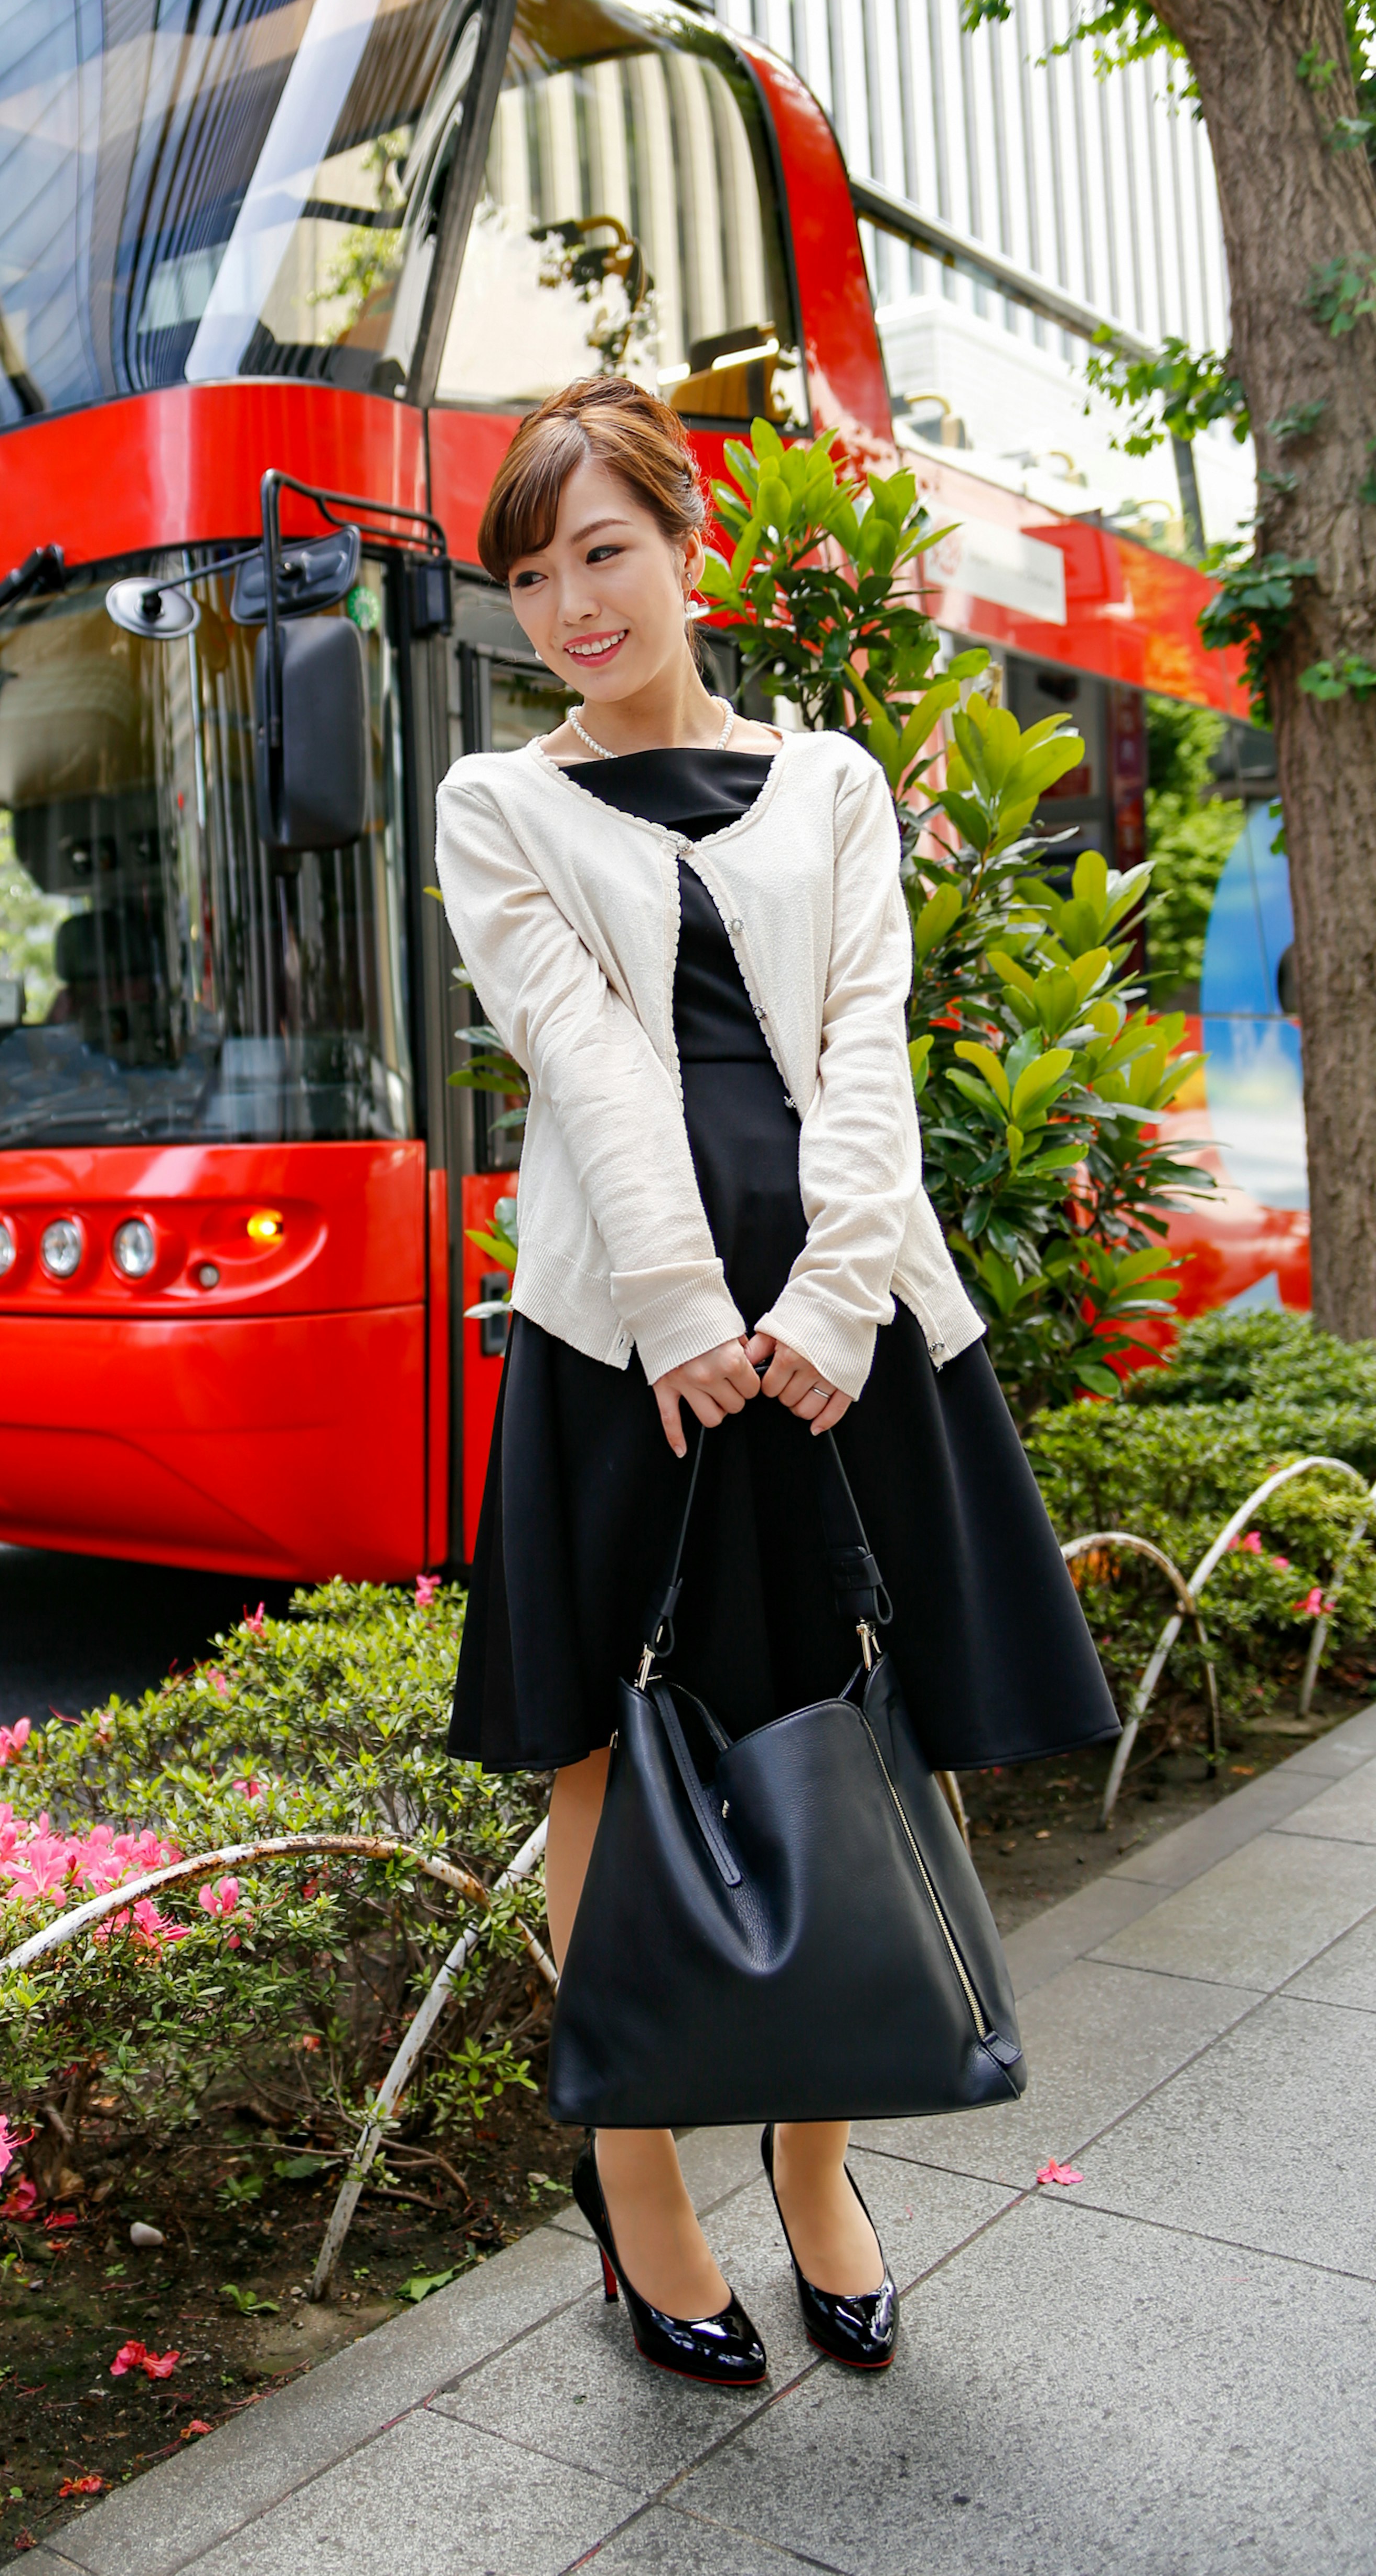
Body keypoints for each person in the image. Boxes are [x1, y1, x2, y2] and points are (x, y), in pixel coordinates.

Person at [435, 376, 1117, 2387]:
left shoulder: (821, 781)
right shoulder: (505, 808)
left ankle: (821, 2171)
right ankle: (641, 2191)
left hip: (847, 1336)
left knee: (841, 1727)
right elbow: (586, 1056)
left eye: (605, 552)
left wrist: (825, 1315)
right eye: (537, 573)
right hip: (618, 1349)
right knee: (602, 1760)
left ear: (686, 542)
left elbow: (870, 1040)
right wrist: (676, 1306)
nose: (574, 603)